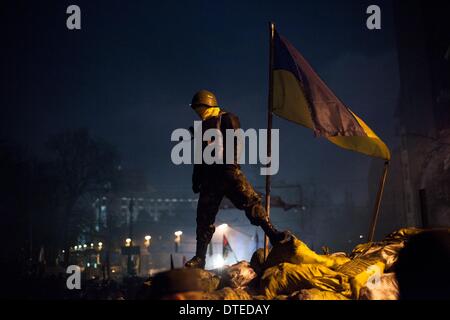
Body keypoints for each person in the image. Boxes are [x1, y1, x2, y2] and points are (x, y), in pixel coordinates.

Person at [185, 90, 290, 269]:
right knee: (203, 218)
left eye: (199, 107)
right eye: (196, 109)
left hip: (228, 172)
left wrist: (232, 166)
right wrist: (196, 179)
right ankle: (200, 258)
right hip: (209, 178)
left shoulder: (226, 118)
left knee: (251, 202)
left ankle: (272, 234)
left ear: (208, 105)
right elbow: (197, 157)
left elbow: (236, 143)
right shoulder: (199, 128)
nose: (197, 111)